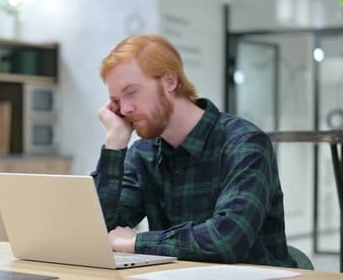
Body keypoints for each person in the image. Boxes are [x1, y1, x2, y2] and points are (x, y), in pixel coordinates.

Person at [92, 34, 298, 268]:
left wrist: (137, 242)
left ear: (170, 81)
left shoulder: (244, 143)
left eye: (132, 92)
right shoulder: (143, 153)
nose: (125, 109)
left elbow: (225, 241)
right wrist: (114, 143)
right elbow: (98, 232)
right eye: (116, 100)